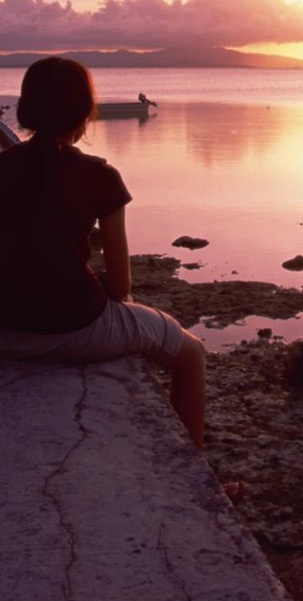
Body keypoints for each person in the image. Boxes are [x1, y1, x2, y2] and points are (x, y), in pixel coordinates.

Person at [0, 56, 206, 449]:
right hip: (75, 328)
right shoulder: (100, 177)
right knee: (191, 353)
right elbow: (121, 284)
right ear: (83, 114)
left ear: (27, 110)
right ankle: (194, 467)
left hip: (5, 329)